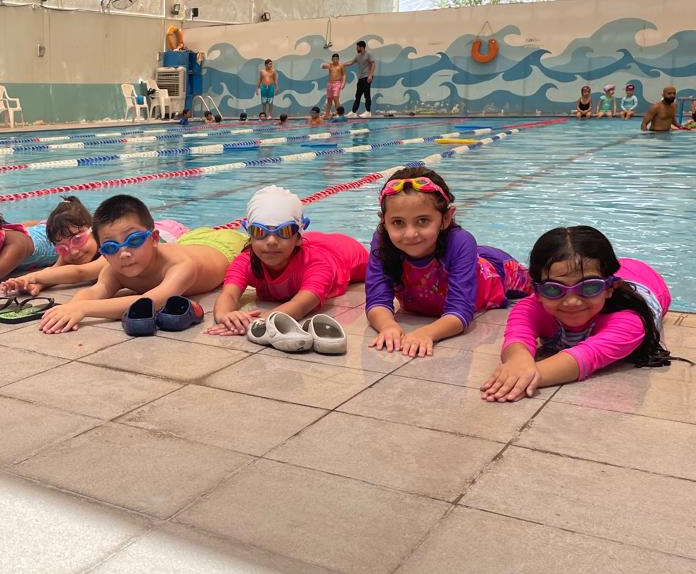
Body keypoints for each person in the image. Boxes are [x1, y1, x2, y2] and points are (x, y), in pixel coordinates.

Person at [482, 226, 683, 401]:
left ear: (609, 288)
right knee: (581, 270)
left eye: (589, 288)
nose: (572, 301)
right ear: (537, 292)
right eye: (554, 289)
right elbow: (517, 339)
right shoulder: (531, 307)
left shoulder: (629, 319)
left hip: (645, 278)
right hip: (593, 270)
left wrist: (521, 376)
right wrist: (517, 360)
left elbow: (586, 357)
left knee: (584, 270)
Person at [365, 167, 532, 357]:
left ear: (446, 218)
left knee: (545, 287)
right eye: (398, 222)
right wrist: (388, 326)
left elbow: (460, 311)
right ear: (384, 222)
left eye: (422, 221)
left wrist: (427, 332)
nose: (410, 234)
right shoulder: (383, 242)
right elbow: (377, 299)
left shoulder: (460, 242)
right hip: (459, 257)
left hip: (499, 272)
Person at [38, 194, 245, 333]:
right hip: (190, 240)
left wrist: (84, 309)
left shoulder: (181, 265)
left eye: (134, 241)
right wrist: (71, 309)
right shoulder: (114, 270)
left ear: (154, 238)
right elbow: (96, 290)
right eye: (111, 248)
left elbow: (151, 302)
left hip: (224, 246)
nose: (124, 254)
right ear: (102, 251)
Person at [206, 186, 367, 335]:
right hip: (306, 246)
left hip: (344, 252)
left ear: (298, 237)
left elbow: (301, 305)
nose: (271, 241)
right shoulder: (246, 261)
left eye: (284, 231)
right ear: (249, 234)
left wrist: (256, 322)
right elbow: (229, 295)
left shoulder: (315, 264)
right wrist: (225, 316)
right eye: (259, 231)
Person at [1, 196, 188, 297]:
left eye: (77, 239)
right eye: (63, 248)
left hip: (169, 232)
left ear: (93, 231)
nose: (73, 251)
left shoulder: (110, 251)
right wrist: (37, 285)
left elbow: (80, 273)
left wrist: (29, 276)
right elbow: (55, 272)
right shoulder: (69, 252)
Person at [344, 40, 375, 117]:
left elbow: (373, 64)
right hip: (361, 78)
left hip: (367, 77)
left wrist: (370, 75)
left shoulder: (368, 54)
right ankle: (353, 112)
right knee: (357, 95)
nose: (356, 49)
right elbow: (351, 62)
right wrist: (343, 64)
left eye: (357, 47)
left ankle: (368, 112)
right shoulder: (357, 56)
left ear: (362, 47)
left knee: (366, 95)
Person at [320, 52, 345, 119]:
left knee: (336, 98)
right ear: (332, 59)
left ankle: (339, 114)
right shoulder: (330, 65)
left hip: (337, 83)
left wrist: (343, 83)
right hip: (329, 84)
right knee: (329, 99)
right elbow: (322, 66)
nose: (335, 60)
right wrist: (324, 65)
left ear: (338, 59)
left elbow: (344, 75)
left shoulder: (341, 66)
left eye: (336, 59)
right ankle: (327, 114)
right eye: (334, 59)